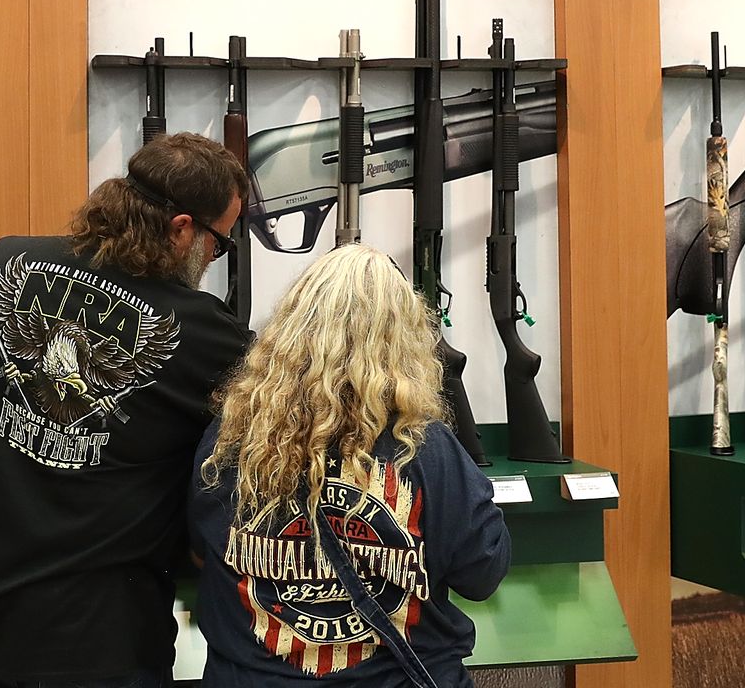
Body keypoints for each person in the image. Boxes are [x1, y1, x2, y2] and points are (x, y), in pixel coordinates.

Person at [0, 131, 252, 688]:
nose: (214, 257)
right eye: (221, 242)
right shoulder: (208, 336)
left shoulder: (0, 263)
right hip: (105, 651)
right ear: (182, 228)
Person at [192, 244, 509, 687]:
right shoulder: (427, 449)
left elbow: (201, 551)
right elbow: (483, 572)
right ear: (405, 336)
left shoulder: (229, 441)